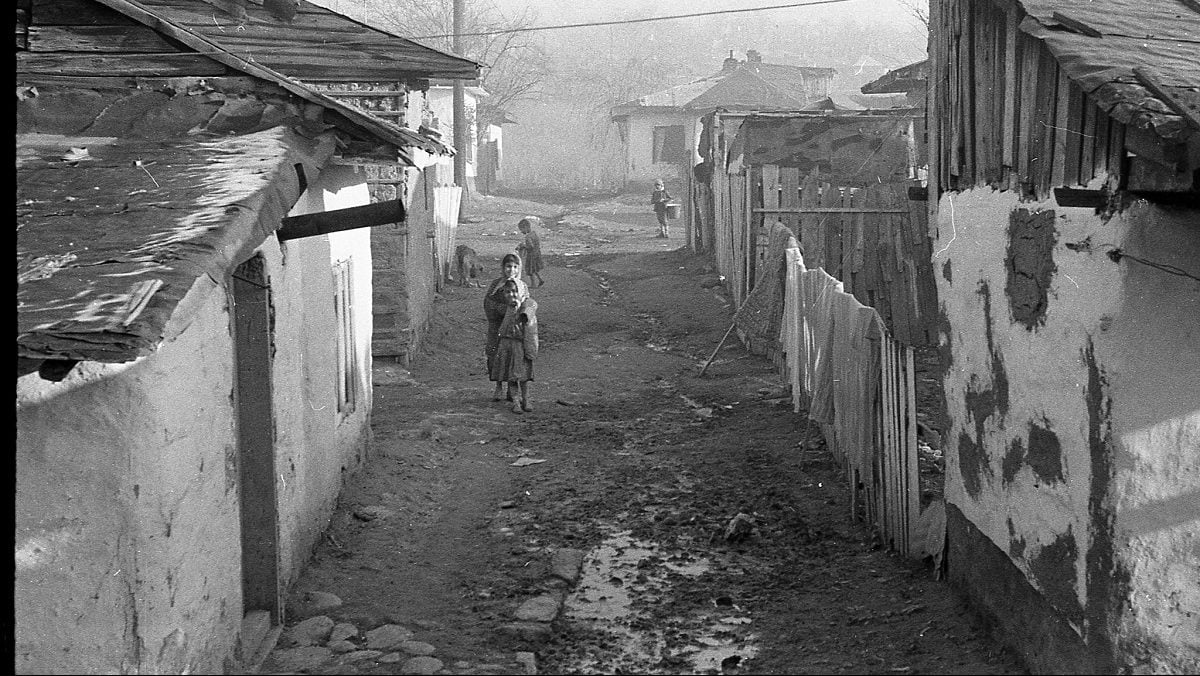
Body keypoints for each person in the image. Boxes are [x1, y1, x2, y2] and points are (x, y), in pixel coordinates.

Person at [490, 278, 538, 413]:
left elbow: (531, 329)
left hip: (520, 347)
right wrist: (510, 310)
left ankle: (526, 399)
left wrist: (531, 349)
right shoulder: (506, 309)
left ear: (521, 292)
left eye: (515, 291)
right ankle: (516, 402)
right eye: (508, 292)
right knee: (511, 377)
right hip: (507, 346)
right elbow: (503, 329)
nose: (511, 294)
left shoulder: (527, 307)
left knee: (523, 378)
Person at [483, 253, 529, 391]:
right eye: (508, 266)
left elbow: (528, 303)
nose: (512, 270)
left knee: (513, 357)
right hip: (497, 326)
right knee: (494, 354)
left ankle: (511, 388)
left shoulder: (522, 286)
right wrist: (502, 309)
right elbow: (487, 303)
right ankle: (498, 386)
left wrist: (522, 312)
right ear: (503, 267)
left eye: (515, 267)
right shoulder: (496, 285)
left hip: (514, 329)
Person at [516, 216, 545, 287]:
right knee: (535, 269)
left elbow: (531, 246)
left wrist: (523, 246)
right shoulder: (534, 234)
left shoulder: (528, 237)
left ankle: (533, 284)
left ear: (526, 227)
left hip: (531, 255)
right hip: (537, 253)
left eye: (521, 229)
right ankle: (540, 279)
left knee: (530, 270)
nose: (521, 231)